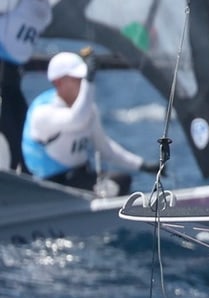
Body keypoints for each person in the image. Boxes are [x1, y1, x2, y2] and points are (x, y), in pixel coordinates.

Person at [21, 51, 161, 196]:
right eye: (77, 79)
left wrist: (142, 165)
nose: (82, 84)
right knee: (117, 184)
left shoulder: (88, 109)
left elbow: (105, 149)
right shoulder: (42, 112)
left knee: (124, 180)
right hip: (50, 186)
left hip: (80, 178)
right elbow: (77, 119)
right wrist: (89, 81)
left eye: (83, 79)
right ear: (58, 82)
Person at [0, 0, 59, 171]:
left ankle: (23, 176)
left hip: (12, 77)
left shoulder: (44, 9)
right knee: (10, 129)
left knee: (24, 130)